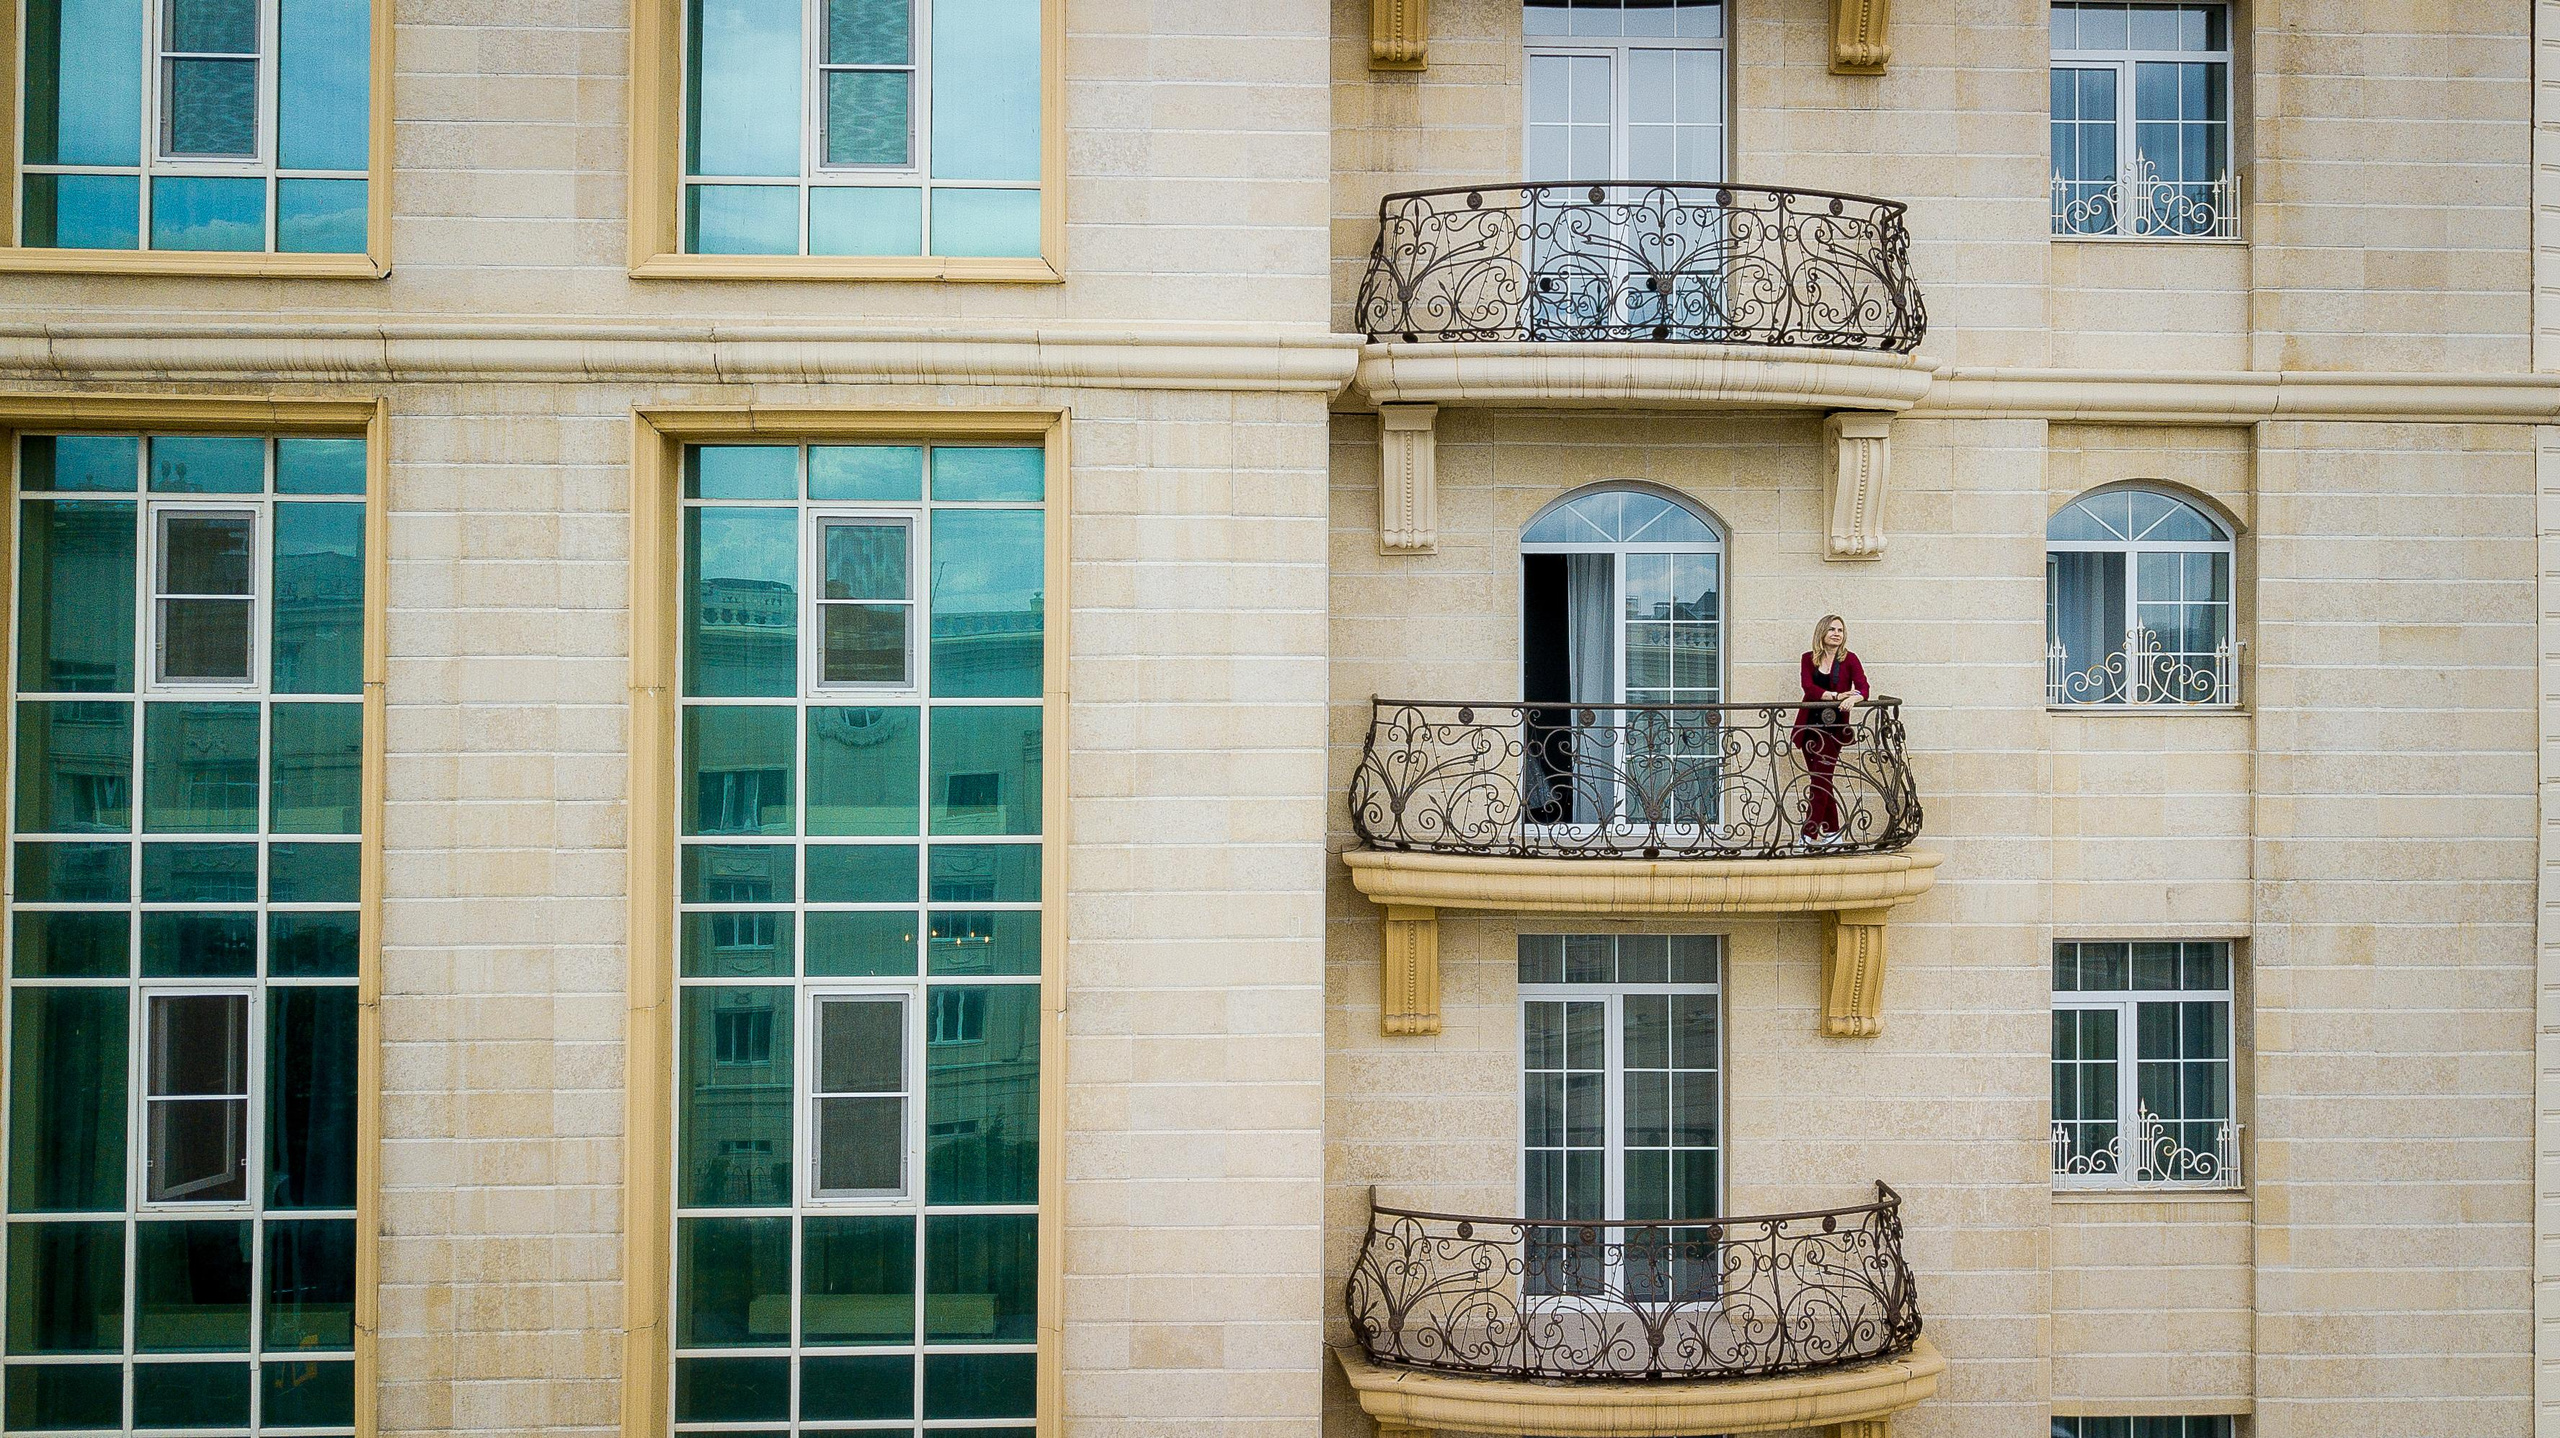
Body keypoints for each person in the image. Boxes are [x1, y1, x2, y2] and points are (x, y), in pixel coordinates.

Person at [1793, 614, 1869, 843]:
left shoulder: (1850, 659)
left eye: (1841, 630)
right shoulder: (1808, 659)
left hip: (1834, 729)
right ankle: (1833, 832)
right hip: (1809, 727)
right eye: (1832, 630)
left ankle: (1809, 833)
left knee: (1820, 780)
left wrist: (1852, 699)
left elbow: (1863, 688)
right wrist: (1835, 696)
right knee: (1820, 780)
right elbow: (1808, 687)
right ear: (1822, 633)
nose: (1837, 634)